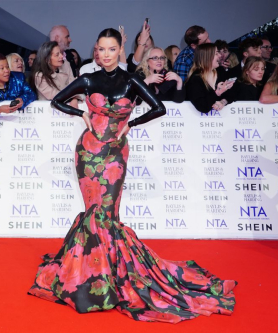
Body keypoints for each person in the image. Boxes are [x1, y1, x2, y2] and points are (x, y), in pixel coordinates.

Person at [28, 28, 236, 323]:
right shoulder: (87, 79)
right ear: (97, 51)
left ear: (119, 51)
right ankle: (89, 277)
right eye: (100, 49)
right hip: (88, 152)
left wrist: (131, 123)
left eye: (111, 49)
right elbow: (57, 101)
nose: (105, 54)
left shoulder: (132, 80)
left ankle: (110, 273)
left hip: (115, 154)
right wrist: (81, 114)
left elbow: (159, 107)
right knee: (93, 211)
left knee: (107, 213)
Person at [185, 43, 235, 113]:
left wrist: (223, 102)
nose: (220, 55)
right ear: (207, 57)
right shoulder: (195, 79)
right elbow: (202, 106)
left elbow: (232, 94)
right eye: (216, 54)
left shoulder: (220, 71)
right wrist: (217, 92)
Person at [29, 41, 77, 106]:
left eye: (61, 52)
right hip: (49, 112)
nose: (61, 56)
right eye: (57, 55)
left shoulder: (66, 64)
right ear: (47, 59)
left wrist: (75, 98)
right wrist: (73, 98)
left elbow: (75, 86)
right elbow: (56, 95)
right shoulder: (39, 76)